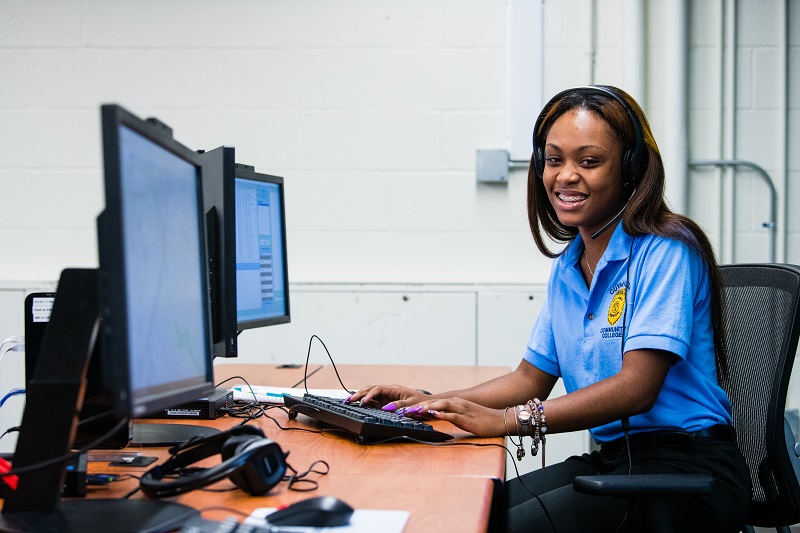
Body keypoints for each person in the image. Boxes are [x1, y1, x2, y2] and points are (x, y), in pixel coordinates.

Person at [347, 85, 751, 532]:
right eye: (554, 160)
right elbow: (529, 379)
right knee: (474, 509)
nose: (566, 176)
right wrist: (433, 403)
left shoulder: (668, 251)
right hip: (618, 460)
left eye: (589, 161)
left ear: (631, 169)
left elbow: (637, 387)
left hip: (688, 475)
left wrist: (508, 422)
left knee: (491, 526)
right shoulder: (569, 266)